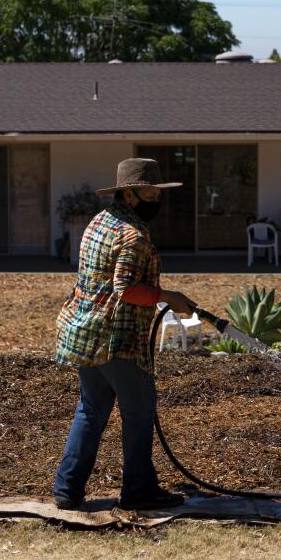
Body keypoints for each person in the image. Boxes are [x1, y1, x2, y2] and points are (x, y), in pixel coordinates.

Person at [52, 158, 197, 512]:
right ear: (130, 195)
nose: (156, 201)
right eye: (150, 193)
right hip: (118, 339)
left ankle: (67, 489)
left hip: (84, 332)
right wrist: (170, 297)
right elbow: (125, 288)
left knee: (91, 409)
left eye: (157, 193)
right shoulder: (133, 236)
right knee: (139, 410)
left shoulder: (99, 223)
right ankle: (138, 490)